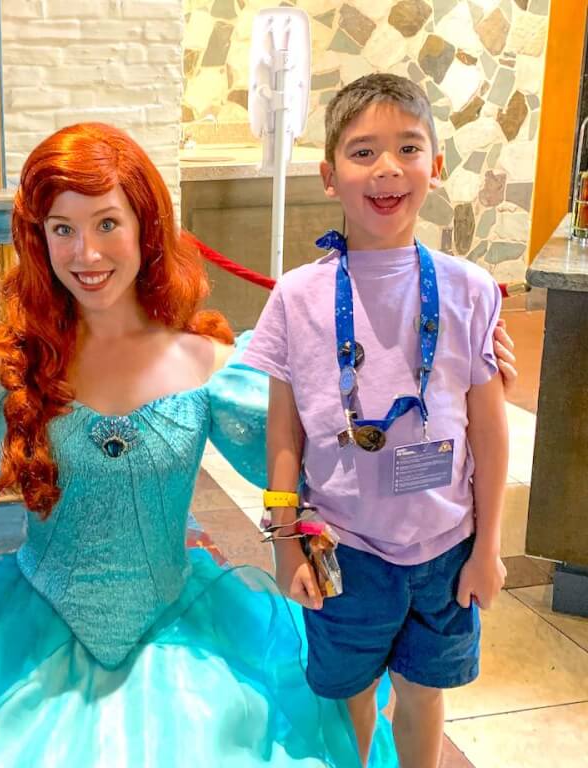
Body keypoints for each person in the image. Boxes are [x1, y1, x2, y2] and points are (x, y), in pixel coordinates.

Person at [0, 123, 398, 767]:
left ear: (146, 227)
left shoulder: (209, 365)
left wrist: (457, 375)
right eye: (62, 228)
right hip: (31, 629)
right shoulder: (13, 372)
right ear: (38, 238)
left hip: (182, 635)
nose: (86, 253)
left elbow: (327, 442)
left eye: (106, 223)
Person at [244, 74, 509, 768]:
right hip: (345, 549)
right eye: (363, 152)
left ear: (436, 165)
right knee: (350, 698)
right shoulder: (298, 297)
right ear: (330, 176)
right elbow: (284, 434)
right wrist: (284, 542)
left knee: (424, 694)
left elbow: (488, 430)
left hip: (447, 548)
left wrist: (488, 548)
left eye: (408, 148)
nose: (387, 168)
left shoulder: (470, 288)